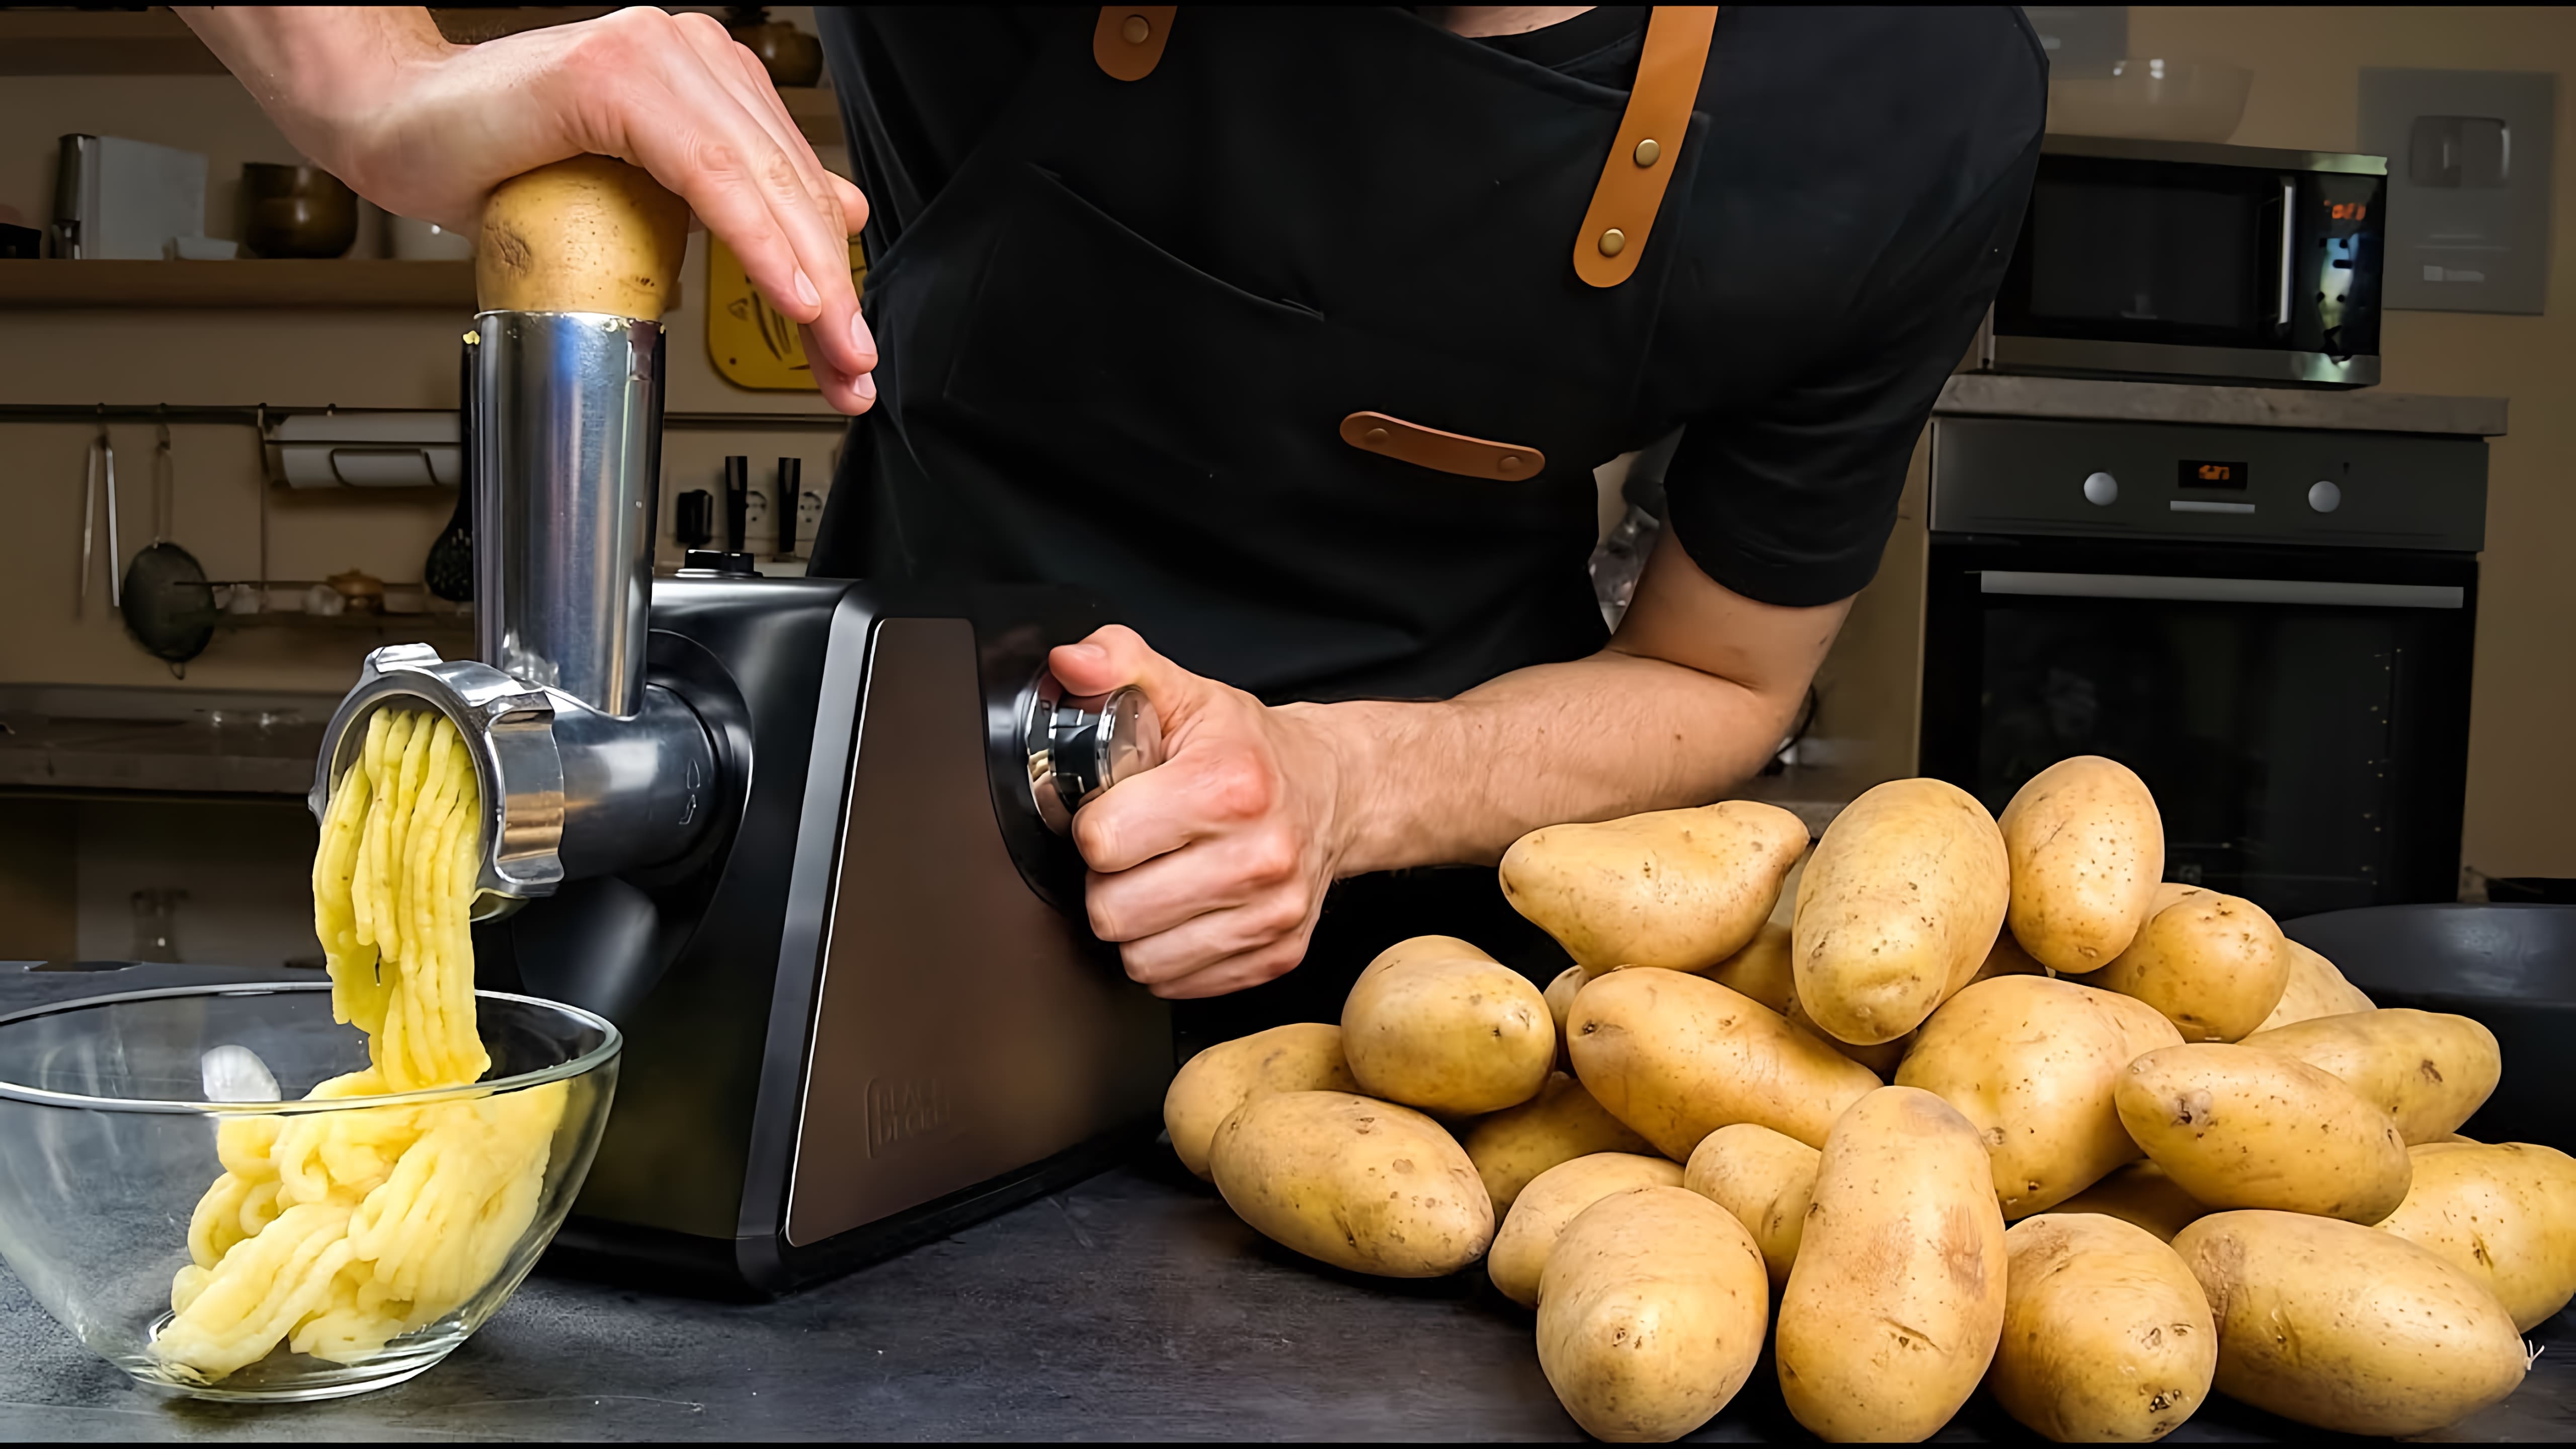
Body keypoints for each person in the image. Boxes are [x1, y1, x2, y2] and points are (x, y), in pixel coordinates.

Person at [180, 6, 2045, 1035]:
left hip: (1418, 1014)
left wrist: (1334, 788)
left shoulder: (1903, 97)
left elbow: (1723, 671)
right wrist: (388, 95)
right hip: (870, 922)